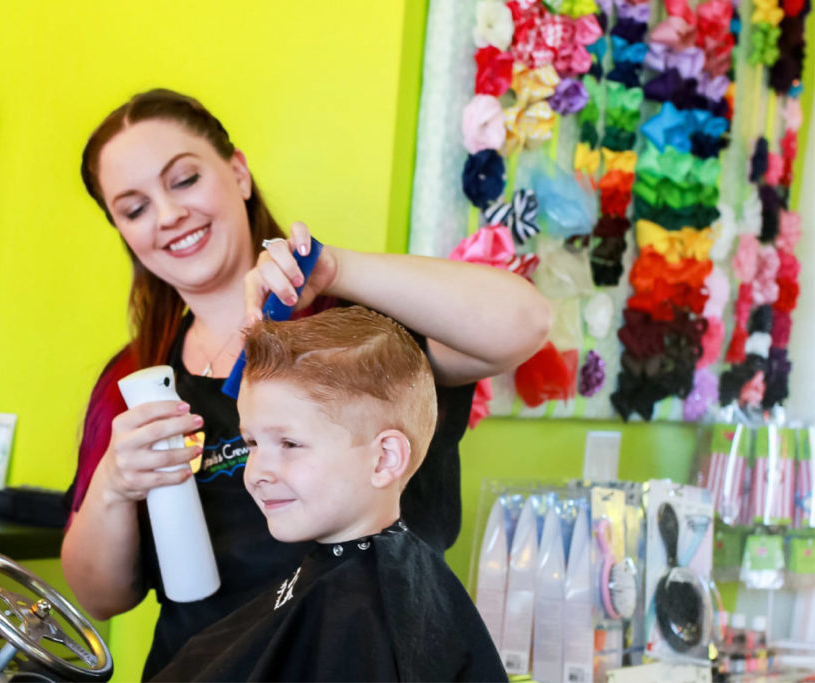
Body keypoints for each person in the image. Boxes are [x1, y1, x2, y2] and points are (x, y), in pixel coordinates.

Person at [60, 88, 549, 678]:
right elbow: (100, 598)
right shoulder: (133, 381)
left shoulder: (359, 332)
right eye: (134, 208)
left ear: (238, 172)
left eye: (184, 180)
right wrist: (114, 483)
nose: (167, 216)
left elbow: (525, 323)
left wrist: (336, 269)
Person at [152, 306, 508, 681]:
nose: (256, 472)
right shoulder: (342, 585)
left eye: (289, 444)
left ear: (384, 458)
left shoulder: (366, 615)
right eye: (252, 443)